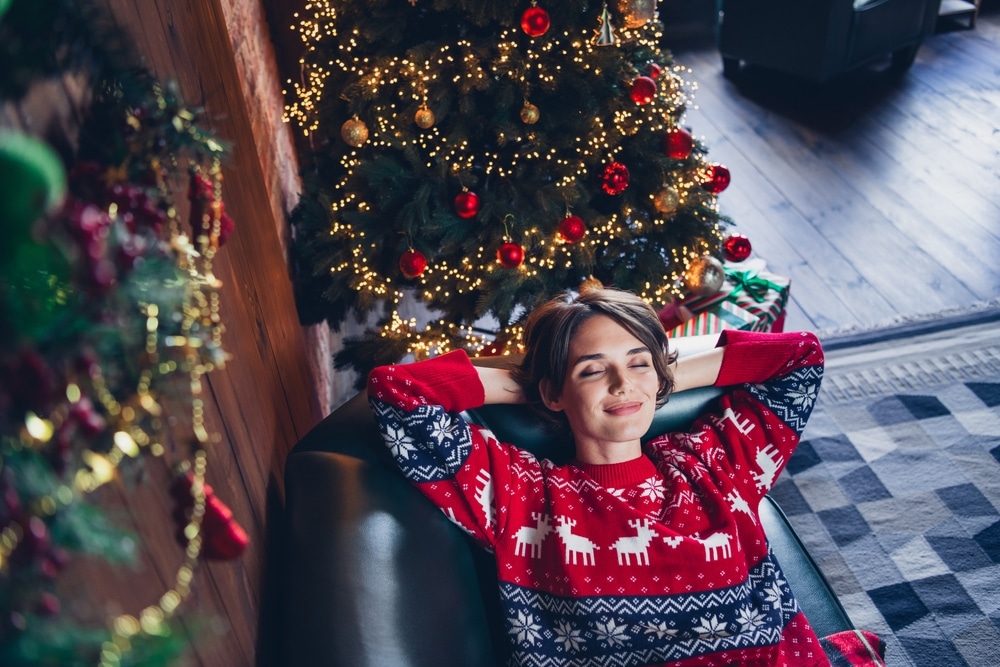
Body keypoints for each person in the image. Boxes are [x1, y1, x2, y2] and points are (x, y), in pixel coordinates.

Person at [367, 287, 884, 666]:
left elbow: (799, 356)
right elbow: (398, 390)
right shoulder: (521, 494)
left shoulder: (717, 461)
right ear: (553, 392)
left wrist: (657, 375)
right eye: (593, 370)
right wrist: (532, 384)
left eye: (636, 364)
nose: (621, 384)